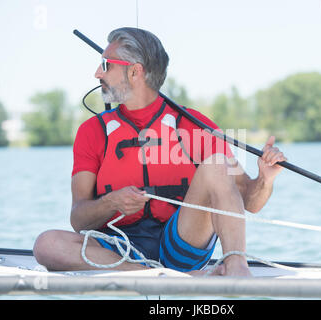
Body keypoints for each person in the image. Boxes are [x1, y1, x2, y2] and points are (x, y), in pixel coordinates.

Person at [33, 27, 287, 277]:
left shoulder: (194, 125)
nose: (97, 73)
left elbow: (250, 203)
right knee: (47, 244)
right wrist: (111, 202)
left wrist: (265, 179)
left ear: (135, 71)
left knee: (217, 164)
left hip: (183, 242)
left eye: (106, 64)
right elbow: (79, 220)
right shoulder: (92, 132)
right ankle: (155, 275)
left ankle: (236, 267)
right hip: (118, 249)